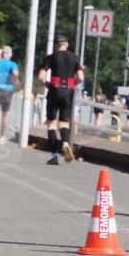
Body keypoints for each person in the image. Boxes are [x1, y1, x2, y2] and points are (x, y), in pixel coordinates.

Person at [38, 35, 84, 165]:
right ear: (67, 45)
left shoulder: (51, 57)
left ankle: (54, 155)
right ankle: (65, 143)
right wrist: (72, 83)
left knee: (51, 123)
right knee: (64, 122)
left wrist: (47, 84)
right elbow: (81, 77)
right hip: (68, 92)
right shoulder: (75, 58)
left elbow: (41, 76)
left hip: (54, 90)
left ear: (56, 45)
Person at [0, 46, 19, 145]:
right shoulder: (12, 64)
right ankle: (2, 136)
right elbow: (15, 73)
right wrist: (15, 80)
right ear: (10, 54)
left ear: (2, 54)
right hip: (8, 90)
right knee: (5, 114)